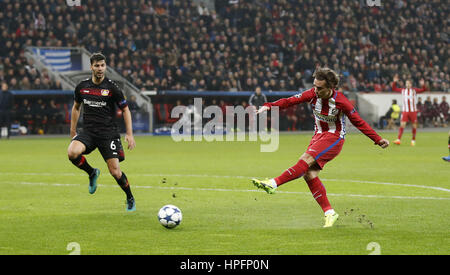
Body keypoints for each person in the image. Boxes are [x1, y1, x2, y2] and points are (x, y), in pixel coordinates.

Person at [251, 68, 389, 228]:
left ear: (330, 87)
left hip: (334, 137)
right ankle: (330, 212)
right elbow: (290, 101)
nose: (315, 90)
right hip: (318, 136)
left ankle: (273, 183)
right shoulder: (312, 94)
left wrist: (377, 139)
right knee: (309, 174)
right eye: (314, 86)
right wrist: (269, 106)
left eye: (319, 88)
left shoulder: (341, 101)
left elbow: (359, 122)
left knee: (305, 160)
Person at [67, 53, 137, 211]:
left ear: (106, 67)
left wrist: (129, 133)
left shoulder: (112, 88)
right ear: (91, 67)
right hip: (89, 133)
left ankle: (129, 197)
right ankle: (92, 173)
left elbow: (125, 110)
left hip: (108, 134)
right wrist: (73, 131)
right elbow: (76, 107)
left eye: (103, 65)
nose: (100, 68)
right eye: (97, 65)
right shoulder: (82, 87)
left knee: (115, 172)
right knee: (72, 152)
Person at [391, 75, 427, 146]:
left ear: (411, 84)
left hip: (413, 111)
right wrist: (394, 82)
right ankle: (398, 140)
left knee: (414, 126)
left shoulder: (414, 90)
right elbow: (394, 88)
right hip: (405, 111)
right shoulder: (403, 90)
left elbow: (423, 90)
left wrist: (423, 85)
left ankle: (413, 140)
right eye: (406, 83)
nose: (407, 84)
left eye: (408, 83)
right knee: (402, 125)